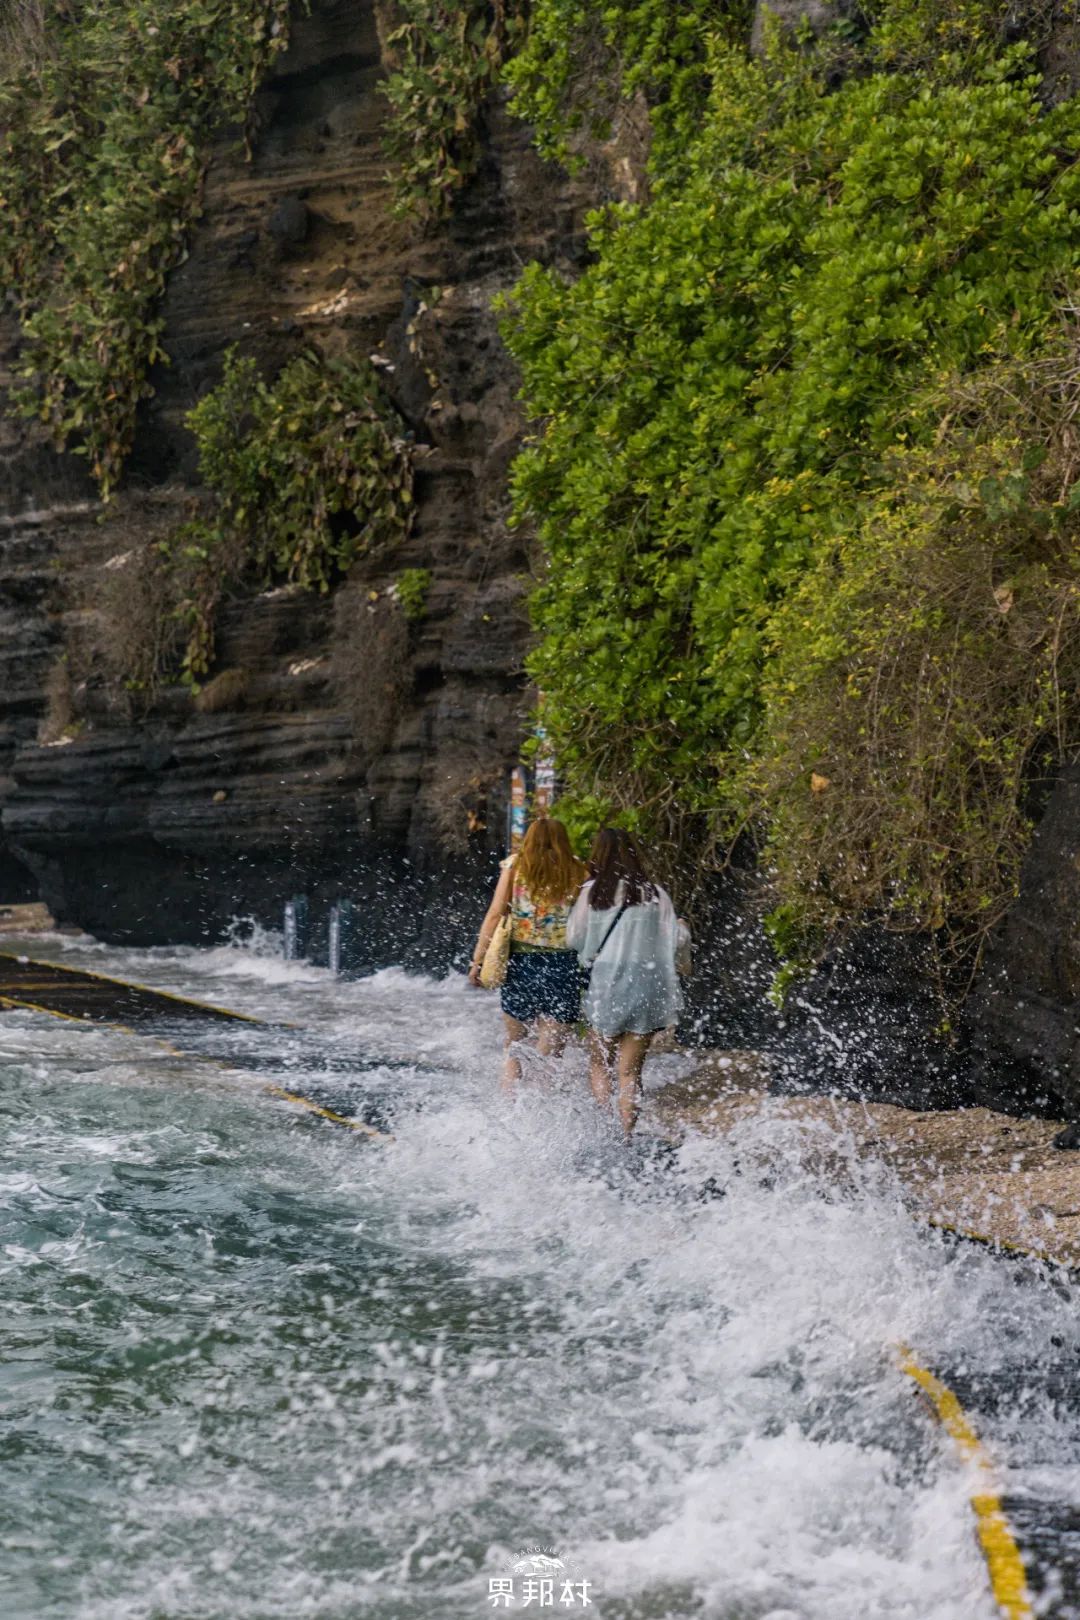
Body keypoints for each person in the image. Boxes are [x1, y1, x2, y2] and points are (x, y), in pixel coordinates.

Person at [566, 827, 688, 1137]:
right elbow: (675, 939)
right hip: (647, 985)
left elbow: (573, 938)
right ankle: (626, 1136)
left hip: (607, 984)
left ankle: (603, 1131)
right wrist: (684, 929)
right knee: (630, 1072)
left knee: (599, 1063)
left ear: (599, 854)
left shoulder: (592, 892)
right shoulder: (655, 893)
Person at [468, 817, 587, 1090]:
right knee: (552, 1051)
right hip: (563, 964)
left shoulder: (514, 866)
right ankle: (541, 1114)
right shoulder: (578, 870)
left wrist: (478, 960)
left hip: (520, 963)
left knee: (515, 1045)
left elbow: (496, 913)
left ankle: (509, 1114)